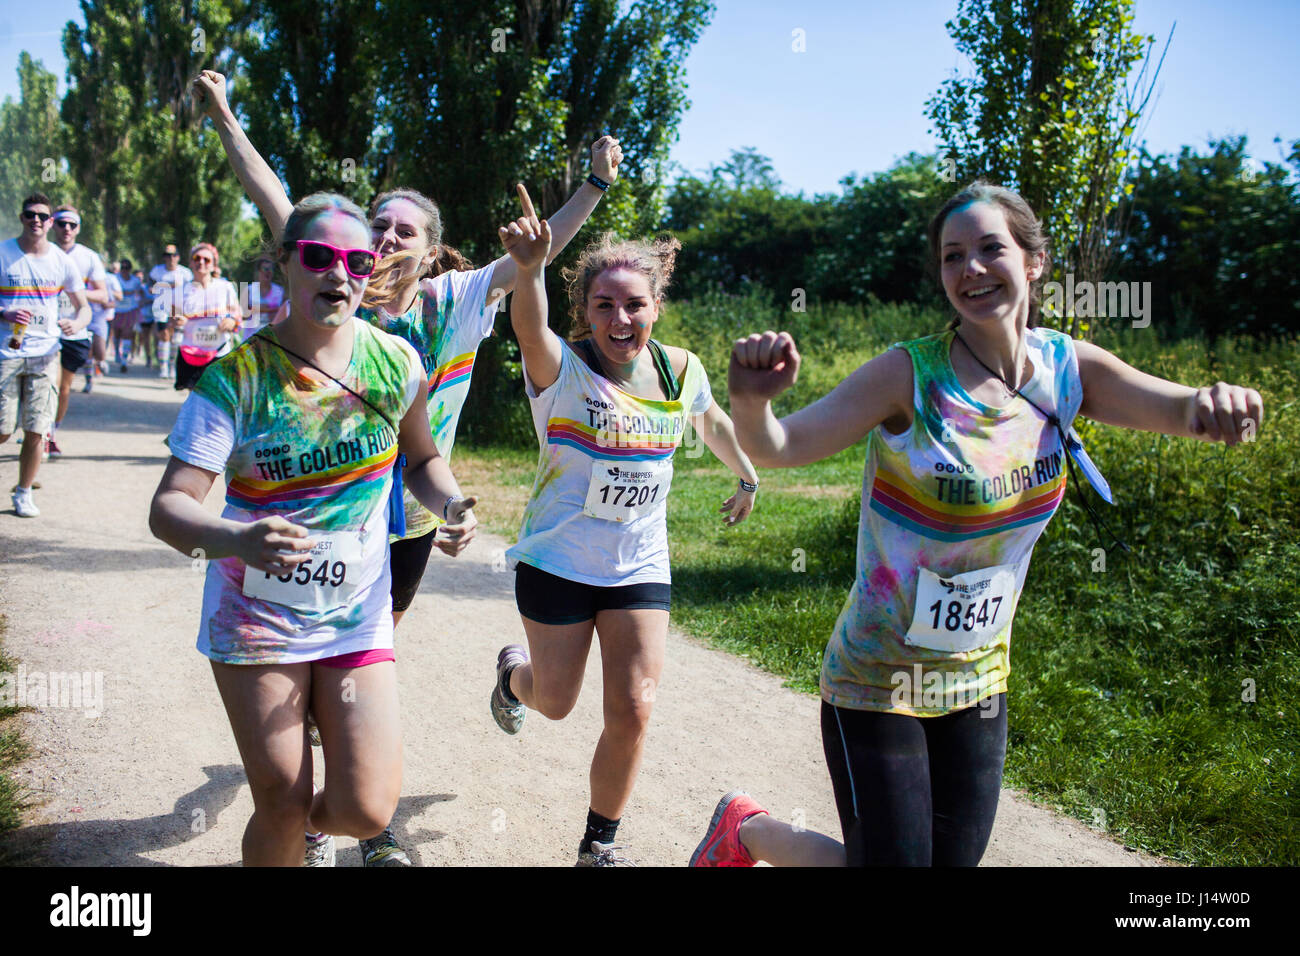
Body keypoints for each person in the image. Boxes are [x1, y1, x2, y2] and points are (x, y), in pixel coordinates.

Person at [690, 181, 1266, 867]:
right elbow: (779, 449)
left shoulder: (1066, 370)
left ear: (1035, 261)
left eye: (990, 248)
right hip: (880, 676)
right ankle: (750, 832)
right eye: (952, 256)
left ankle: (742, 828)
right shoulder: (908, 375)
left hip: (978, 679)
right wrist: (751, 403)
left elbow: (1186, 411)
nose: (970, 270)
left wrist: (1223, 401)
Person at [195, 67, 623, 865]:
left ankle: (356, 809)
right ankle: (320, 822)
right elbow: (270, 193)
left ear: (432, 251)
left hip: (402, 522)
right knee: (330, 670)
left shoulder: (453, 300)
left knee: (357, 669)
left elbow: (536, 255)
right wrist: (223, 115)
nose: (384, 242)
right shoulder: (331, 276)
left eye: (402, 233)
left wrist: (592, 185)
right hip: (308, 518)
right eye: (377, 228)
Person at [148, 191, 480, 867]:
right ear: (282, 264)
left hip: (356, 612)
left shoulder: (396, 363)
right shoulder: (235, 381)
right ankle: (288, 833)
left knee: (365, 809)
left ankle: (300, 831)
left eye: (356, 260)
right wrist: (236, 539)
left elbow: (421, 459)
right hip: (257, 614)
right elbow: (170, 507)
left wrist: (450, 505)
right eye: (319, 256)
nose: (339, 273)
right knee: (282, 798)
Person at [492, 188, 761, 866]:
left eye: (634, 304)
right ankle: (511, 679)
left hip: (639, 563)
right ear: (583, 311)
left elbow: (712, 421)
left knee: (635, 708)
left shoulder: (679, 368)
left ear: (655, 307)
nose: (620, 318)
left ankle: (598, 844)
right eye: (604, 305)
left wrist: (747, 472)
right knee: (554, 702)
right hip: (558, 561)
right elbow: (529, 329)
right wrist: (529, 271)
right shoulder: (563, 368)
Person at [1, 193, 89, 517]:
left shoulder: (61, 262)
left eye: (42, 216)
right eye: (29, 215)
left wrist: (75, 322)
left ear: (50, 222)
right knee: (3, 429)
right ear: (21, 218)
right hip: (6, 353)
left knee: (37, 429)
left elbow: (85, 308)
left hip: (46, 354)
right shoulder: (3, 253)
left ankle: (24, 492)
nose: (36, 220)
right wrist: (5, 313)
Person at [48, 206, 110, 450]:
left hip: (74, 331)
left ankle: (51, 433)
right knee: (45, 384)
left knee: (63, 388)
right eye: (62, 223)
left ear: (78, 229)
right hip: (43, 332)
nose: (67, 229)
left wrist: (77, 292)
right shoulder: (43, 252)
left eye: (72, 225)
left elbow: (104, 294)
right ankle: (37, 430)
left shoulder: (88, 257)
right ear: (53, 224)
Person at [170, 242, 241, 391]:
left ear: (214, 265)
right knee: (195, 395)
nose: (201, 262)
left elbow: (237, 312)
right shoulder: (180, 291)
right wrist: (177, 319)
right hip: (192, 352)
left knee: (219, 396)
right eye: (197, 258)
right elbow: (173, 317)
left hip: (219, 350)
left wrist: (232, 319)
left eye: (206, 260)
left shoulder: (225, 287)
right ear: (190, 262)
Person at [147, 244, 192, 378]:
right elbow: (150, 285)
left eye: (173, 255)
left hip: (178, 307)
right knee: (164, 335)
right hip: (161, 306)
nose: (170, 258)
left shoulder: (185, 273)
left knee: (176, 339)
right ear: (164, 257)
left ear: (178, 257)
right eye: (167, 255)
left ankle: (172, 365)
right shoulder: (157, 271)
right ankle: (163, 367)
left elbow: (191, 289)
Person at [87, 255, 122, 390]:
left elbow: (119, 297)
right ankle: (89, 381)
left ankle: (101, 362)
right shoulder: (83, 276)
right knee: (88, 351)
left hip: (102, 318)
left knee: (100, 351)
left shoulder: (110, 279)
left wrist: (107, 301)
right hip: (85, 317)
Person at [112, 258, 143, 372]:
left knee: (127, 333)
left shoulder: (135, 281)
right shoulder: (115, 279)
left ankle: (124, 360)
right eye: (123, 268)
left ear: (130, 269)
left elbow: (140, 293)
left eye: (127, 268)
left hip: (130, 310)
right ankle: (116, 352)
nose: (124, 270)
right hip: (117, 310)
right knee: (117, 333)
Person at [242, 256, 284, 337]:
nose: (268, 272)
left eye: (271, 269)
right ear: (258, 271)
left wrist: (257, 309)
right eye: (265, 269)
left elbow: (284, 313)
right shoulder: (249, 290)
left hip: (272, 337)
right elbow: (243, 314)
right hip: (250, 337)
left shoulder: (279, 291)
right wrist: (271, 310)